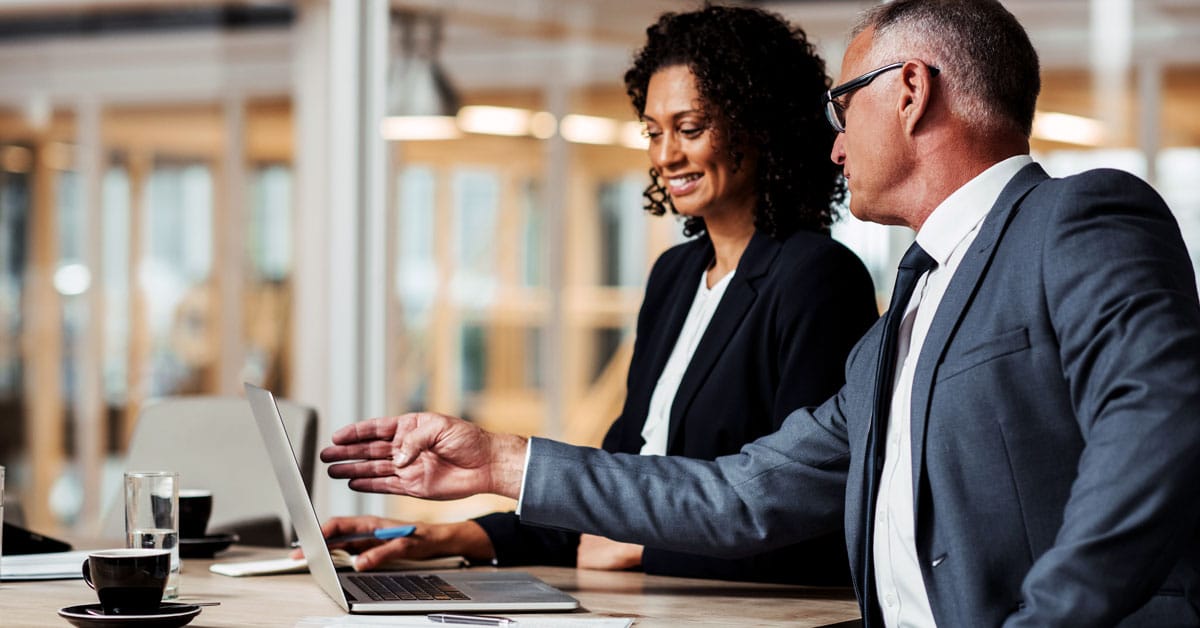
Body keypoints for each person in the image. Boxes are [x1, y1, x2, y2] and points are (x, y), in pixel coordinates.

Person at [320, 0, 1200, 624]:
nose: (834, 141)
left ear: (912, 89)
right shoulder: (905, 317)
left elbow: (1157, 430)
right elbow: (741, 492)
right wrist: (500, 460)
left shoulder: (1079, 217)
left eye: (843, 105)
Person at [308, 4, 877, 585]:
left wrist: (642, 552)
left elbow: (810, 516)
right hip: (647, 598)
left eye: (690, 128)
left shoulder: (817, 277)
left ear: (761, 128)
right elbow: (614, 486)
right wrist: (443, 538)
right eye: (654, 132)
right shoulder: (676, 276)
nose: (665, 155)